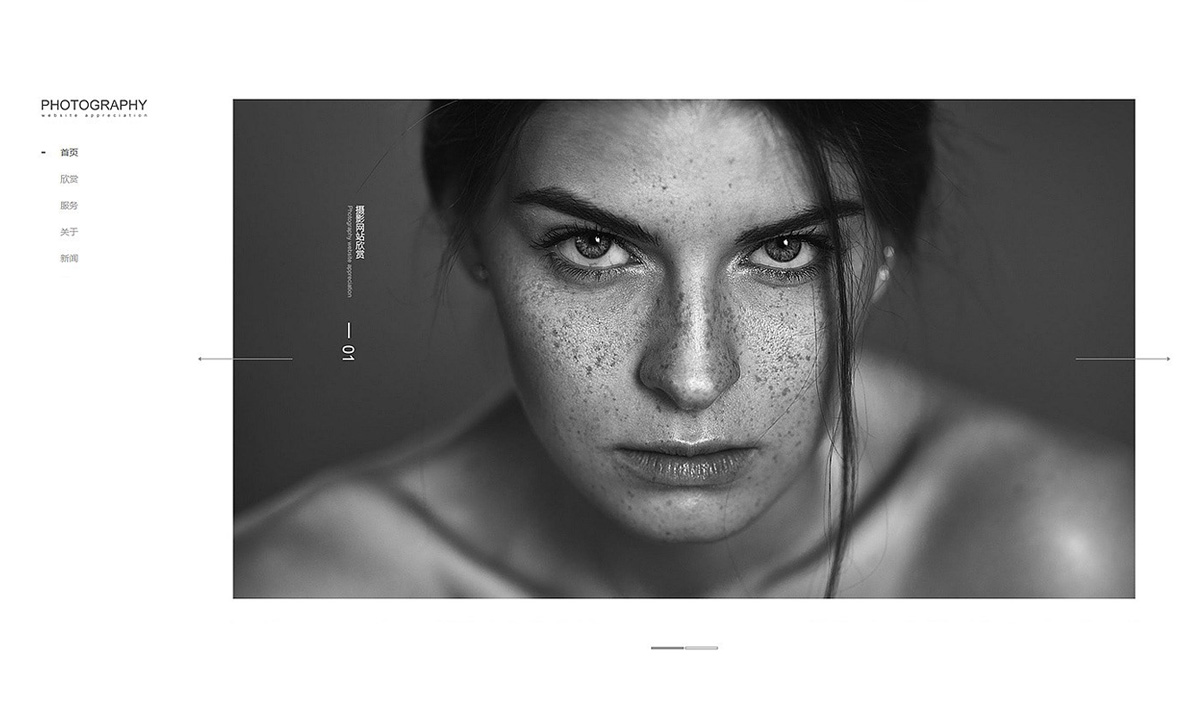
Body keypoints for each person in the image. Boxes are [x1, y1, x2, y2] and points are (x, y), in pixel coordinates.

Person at [234, 100, 1133, 597]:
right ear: (469, 234)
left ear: (883, 255)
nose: (693, 376)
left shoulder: (1072, 561)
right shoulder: (302, 596)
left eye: (786, 250)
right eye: (594, 248)